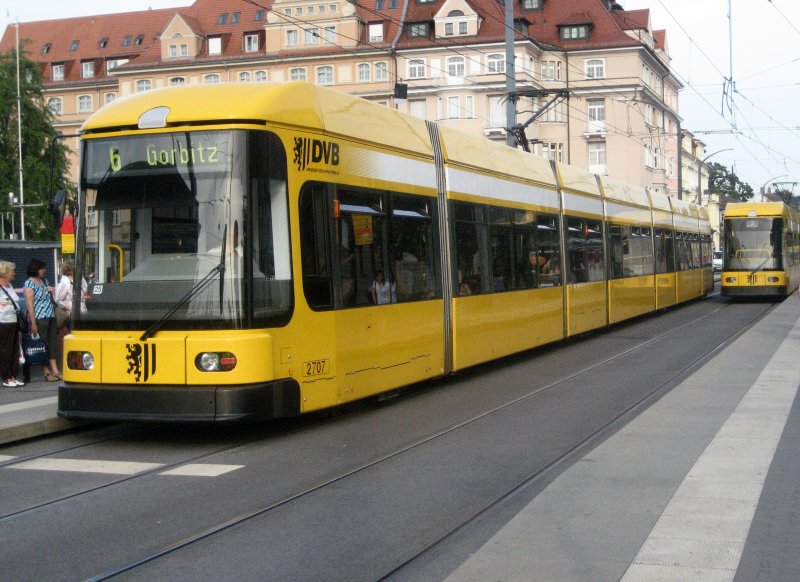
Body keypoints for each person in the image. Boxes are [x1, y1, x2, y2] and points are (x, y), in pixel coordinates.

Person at [23, 259, 60, 382]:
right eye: (42, 268)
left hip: (51, 315)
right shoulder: (29, 284)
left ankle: (55, 370)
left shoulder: (45, 281)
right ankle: (46, 371)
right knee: (42, 344)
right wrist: (33, 323)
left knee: (52, 343)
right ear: (36, 269)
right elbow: (30, 305)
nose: (44, 270)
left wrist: (50, 292)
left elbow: (50, 300)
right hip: (39, 317)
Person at [0, 261, 24, 387]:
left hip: (14, 322)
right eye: (12, 271)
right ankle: (7, 377)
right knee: (5, 351)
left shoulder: (9, 286)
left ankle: (13, 376)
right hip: (3, 323)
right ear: (4, 273)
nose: (14, 274)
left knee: (15, 350)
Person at [54, 261, 74, 332]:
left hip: (78, 313)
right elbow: (57, 301)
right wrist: (68, 306)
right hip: (71, 314)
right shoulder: (64, 284)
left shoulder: (80, 280)